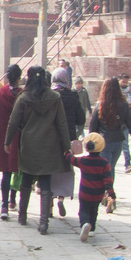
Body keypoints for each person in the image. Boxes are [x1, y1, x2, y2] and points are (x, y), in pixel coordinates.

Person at [5, 65, 70, 235]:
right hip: (50, 145)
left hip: (29, 144)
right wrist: (66, 146)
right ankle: (43, 223)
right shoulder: (55, 97)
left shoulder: (24, 97)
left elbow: (13, 121)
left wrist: (7, 141)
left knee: (26, 178)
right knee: (46, 180)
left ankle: (22, 215)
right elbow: (62, 124)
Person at [50, 68, 85, 218]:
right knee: (66, 168)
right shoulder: (73, 96)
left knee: (50, 170)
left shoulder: (50, 96)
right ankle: (61, 198)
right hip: (68, 139)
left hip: (51, 138)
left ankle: (49, 202)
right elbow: (81, 119)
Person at [88, 77, 131, 182]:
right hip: (118, 140)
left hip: (104, 140)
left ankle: (105, 193)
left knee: (104, 169)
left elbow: (93, 126)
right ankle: (109, 192)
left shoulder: (101, 105)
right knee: (111, 168)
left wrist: (90, 142)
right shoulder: (124, 104)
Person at [0, 64, 23, 220]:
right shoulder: (23, 95)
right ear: (19, 78)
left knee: (6, 172)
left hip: (3, 138)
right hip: (19, 137)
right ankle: (13, 199)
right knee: (17, 170)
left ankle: (3, 205)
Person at [73, 132, 114, 242]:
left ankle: (85, 224)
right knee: (94, 210)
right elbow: (108, 180)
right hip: (98, 194)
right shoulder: (104, 163)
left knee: (83, 210)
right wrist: (111, 193)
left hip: (85, 192)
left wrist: (67, 153)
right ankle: (92, 229)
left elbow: (72, 160)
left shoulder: (83, 160)